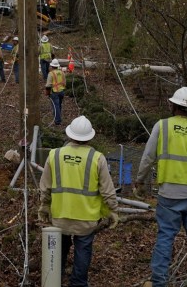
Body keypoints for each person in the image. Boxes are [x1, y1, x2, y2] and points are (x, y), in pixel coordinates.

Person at [135, 87, 187, 287]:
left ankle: (159, 282)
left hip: (169, 195)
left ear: (173, 105)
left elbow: (148, 157)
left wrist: (139, 180)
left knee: (165, 237)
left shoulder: (162, 126)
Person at [39, 115, 119, 287]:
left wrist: (44, 205)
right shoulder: (97, 158)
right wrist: (113, 210)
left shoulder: (55, 155)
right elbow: (107, 190)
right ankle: (78, 283)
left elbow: (45, 186)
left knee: (58, 251)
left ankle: (53, 281)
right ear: (90, 137)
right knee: (83, 251)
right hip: (86, 219)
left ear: (69, 134)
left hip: (60, 216)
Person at [45, 59, 66, 125]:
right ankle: (58, 116)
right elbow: (64, 82)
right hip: (62, 91)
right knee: (59, 105)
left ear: (51, 66)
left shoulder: (51, 74)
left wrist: (47, 92)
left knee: (55, 106)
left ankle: (57, 121)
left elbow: (48, 85)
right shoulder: (62, 72)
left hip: (54, 92)